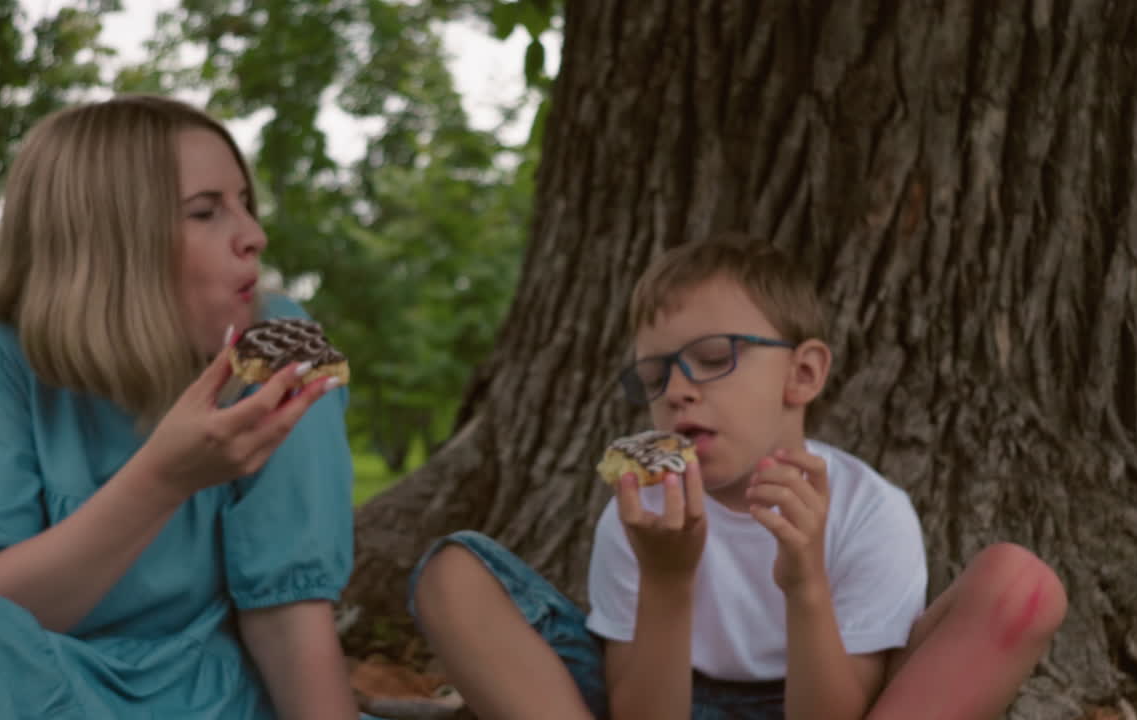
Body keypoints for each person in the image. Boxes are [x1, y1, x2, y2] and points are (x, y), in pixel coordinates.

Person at [409, 237, 1068, 720]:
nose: (677, 392)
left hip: (819, 698)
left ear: (803, 375)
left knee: (1021, 585)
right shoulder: (641, 513)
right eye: (655, 375)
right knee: (452, 572)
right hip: (673, 696)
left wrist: (805, 580)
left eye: (713, 357)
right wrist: (668, 579)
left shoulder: (869, 511)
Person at [0, 95, 374, 719]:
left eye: (245, 204)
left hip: (209, 702)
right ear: (111, 242)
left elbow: (290, 612)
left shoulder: (275, 350)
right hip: (46, 691)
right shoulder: (1, 361)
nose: (253, 236)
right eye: (206, 212)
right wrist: (162, 478)